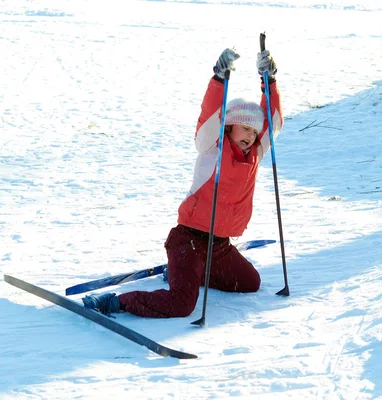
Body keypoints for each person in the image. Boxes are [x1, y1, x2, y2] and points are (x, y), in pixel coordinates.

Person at [83, 46, 284, 318]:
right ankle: (116, 302)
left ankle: (190, 273)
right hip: (188, 240)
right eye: (244, 128)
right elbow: (210, 117)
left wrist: (269, 81)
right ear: (229, 126)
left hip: (220, 246)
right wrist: (219, 78)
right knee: (182, 303)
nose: (250, 135)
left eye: (253, 131)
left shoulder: (254, 156)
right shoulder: (212, 147)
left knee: (250, 283)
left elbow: (272, 123)